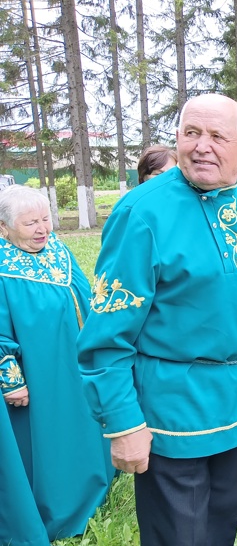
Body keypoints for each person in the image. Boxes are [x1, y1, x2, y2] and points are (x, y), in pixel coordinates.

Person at [76, 94, 237, 546]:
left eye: (217, 136)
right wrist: (123, 423)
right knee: (179, 535)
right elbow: (107, 333)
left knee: (220, 524)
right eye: (191, 133)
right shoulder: (142, 213)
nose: (202, 146)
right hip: (171, 408)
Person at [0, 186, 115, 544]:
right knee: (42, 445)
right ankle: (51, 511)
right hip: (32, 379)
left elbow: (88, 299)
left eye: (46, 218)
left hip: (71, 369)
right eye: (30, 222)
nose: (42, 228)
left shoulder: (60, 252)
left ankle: (86, 494)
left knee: (76, 431)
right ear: (4, 228)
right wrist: (11, 379)